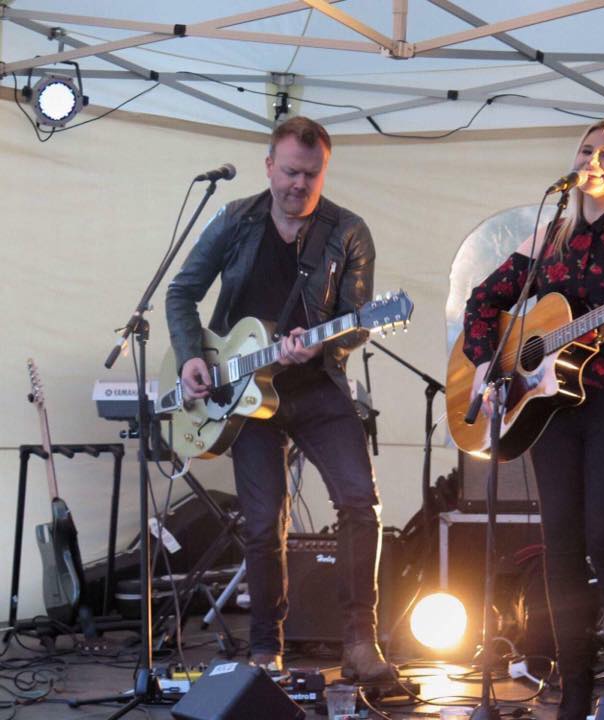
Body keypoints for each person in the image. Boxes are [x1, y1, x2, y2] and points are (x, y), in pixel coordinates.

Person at [461, 121, 604, 718]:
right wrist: (491, 364)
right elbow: (483, 301)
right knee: (561, 545)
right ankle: (575, 689)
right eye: (587, 151)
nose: (593, 162)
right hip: (549, 404)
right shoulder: (552, 231)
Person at [165, 116, 393, 681]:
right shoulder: (234, 218)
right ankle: (266, 646)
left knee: (361, 504)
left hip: (317, 387)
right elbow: (182, 291)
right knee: (264, 524)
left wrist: (316, 348)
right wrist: (194, 355)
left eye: (311, 176)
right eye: (290, 172)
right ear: (269, 165)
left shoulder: (348, 231)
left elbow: (358, 322)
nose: (299, 185)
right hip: (241, 391)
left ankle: (361, 641)